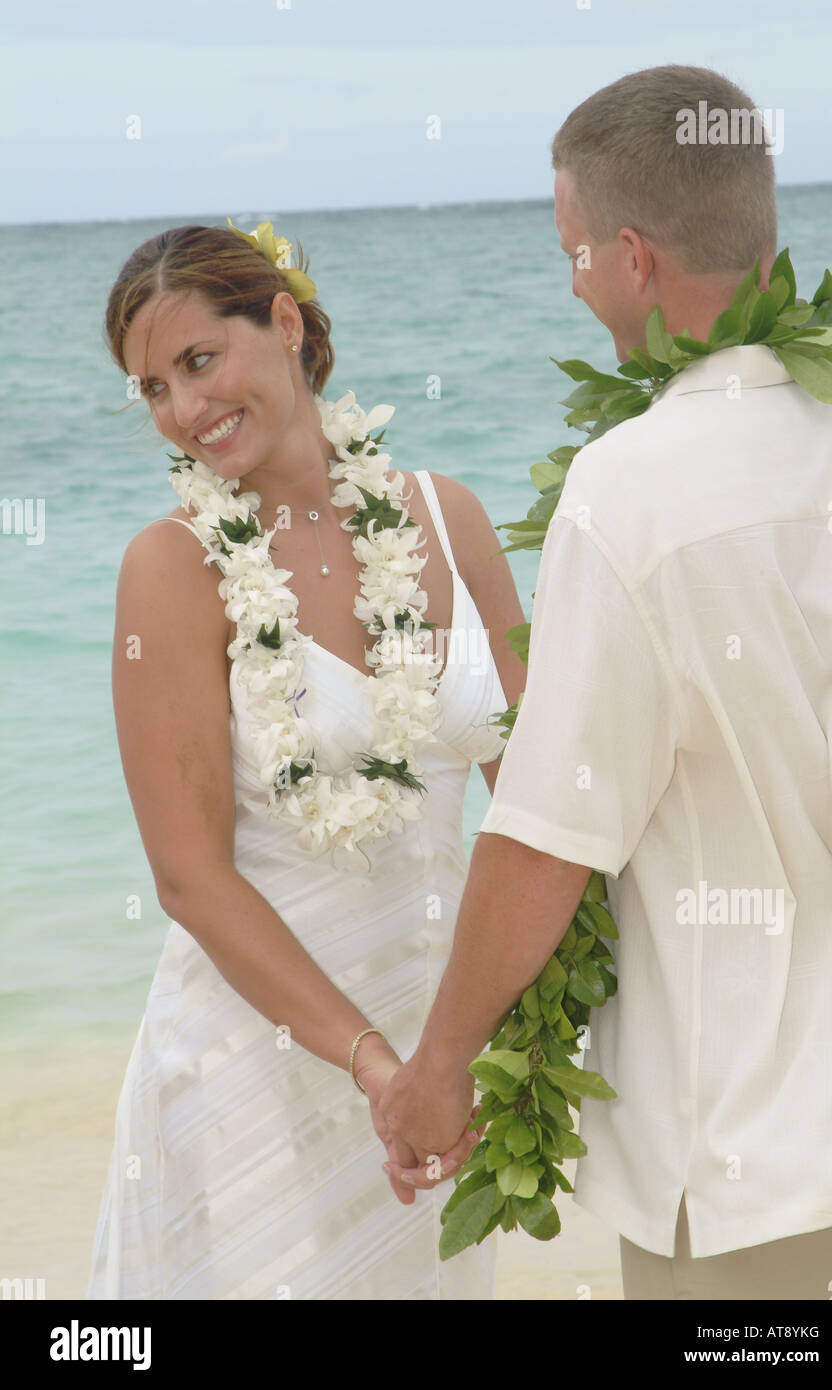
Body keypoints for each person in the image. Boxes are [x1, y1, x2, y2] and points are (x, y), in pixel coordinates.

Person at [381, 64, 832, 1300]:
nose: (576, 278)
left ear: (636, 260)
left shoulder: (629, 488)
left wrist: (438, 1069)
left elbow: (550, 833)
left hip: (759, 1164)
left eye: (576, 251)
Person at [86, 218, 527, 1299]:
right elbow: (190, 876)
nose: (183, 411)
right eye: (151, 388)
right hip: (259, 1073)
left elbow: (538, 802)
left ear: (283, 322)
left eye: (198, 361)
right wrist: (374, 1065)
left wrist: (500, 1033)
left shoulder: (446, 518)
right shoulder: (170, 569)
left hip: (441, 1056)